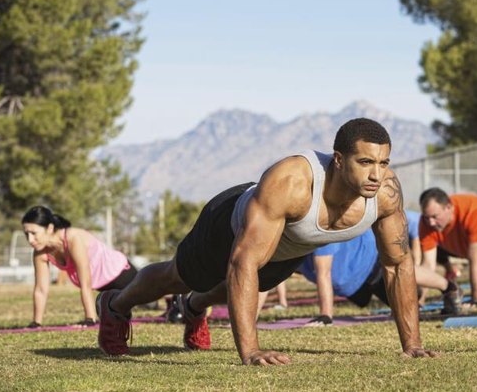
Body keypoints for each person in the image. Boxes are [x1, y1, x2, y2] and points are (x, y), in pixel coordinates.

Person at [95, 118, 438, 364]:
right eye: (365, 162)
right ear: (338, 159)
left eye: (383, 162)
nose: (376, 174)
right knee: (180, 276)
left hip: (288, 247)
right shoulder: (291, 181)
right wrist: (251, 351)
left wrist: (412, 343)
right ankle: (115, 305)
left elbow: (397, 266)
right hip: (229, 223)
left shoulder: (386, 193)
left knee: (235, 288)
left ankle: (193, 307)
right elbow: (242, 262)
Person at [279, 210, 422, 327]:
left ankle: (443, 287)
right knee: (396, 303)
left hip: (370, 262)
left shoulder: (317, 231)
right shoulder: (284, 239)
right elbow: (264, 277)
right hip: (352, 283)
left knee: (409, 301)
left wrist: (325, 316)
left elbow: (324, 274)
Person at [21, 206, 138, 327]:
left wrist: (90, 319)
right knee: (119, 307)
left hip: (121, 274)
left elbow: (85, 283)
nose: (30, 239)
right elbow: (41, 289)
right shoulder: (40, 252)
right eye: (26, 234)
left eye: (34, 233)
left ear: (50, 228)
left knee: (149, 299)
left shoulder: (72, 238)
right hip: (103, 287)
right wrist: (36, 323)